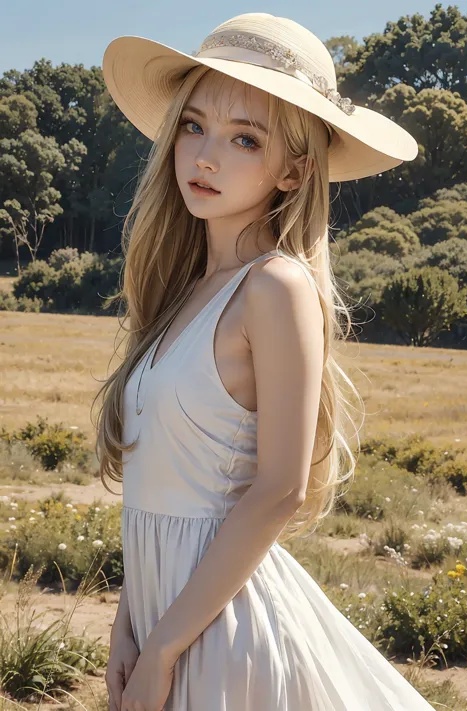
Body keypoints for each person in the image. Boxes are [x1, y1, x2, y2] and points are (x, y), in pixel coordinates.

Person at [95, 12, 435, 711]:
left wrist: (165, 647)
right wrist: (130, 621)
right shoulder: (183, 293)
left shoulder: (274, 286)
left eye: (244, 137)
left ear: (294, 172)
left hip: (220, 633)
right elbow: (159, 494)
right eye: (193, 125)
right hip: (161, 619)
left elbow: (279, 489)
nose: (206, 156)